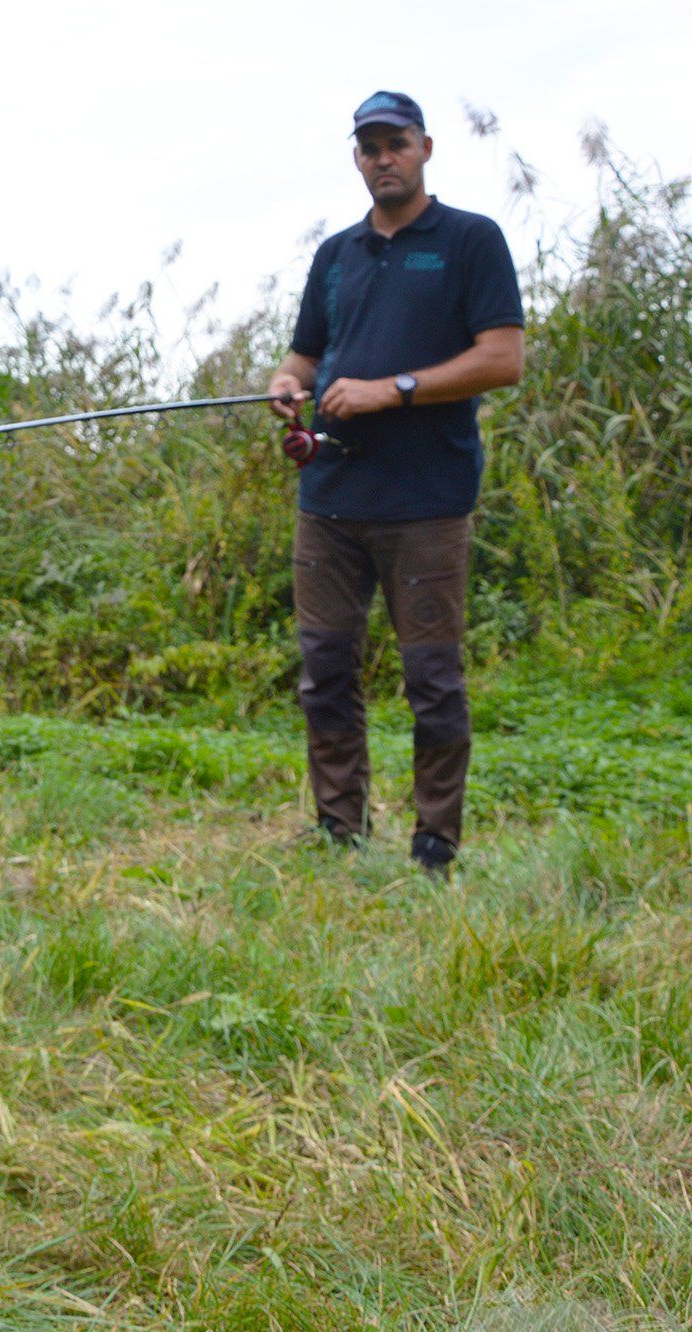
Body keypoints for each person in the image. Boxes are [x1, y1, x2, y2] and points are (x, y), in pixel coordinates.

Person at [266, 91, 525, 874]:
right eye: (370, 145)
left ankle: (434, 847)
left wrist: (395, 389)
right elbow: (308, 352)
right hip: (331, 498)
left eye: (397, 142)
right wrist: (288, 379)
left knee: (432, 678)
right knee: (325, 671)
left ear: (426, 148)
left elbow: (503, 358)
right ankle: (340, 832)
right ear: (356, 157)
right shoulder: (337, 254)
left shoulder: (471, 240)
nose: (383, 157)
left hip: (427, 503)